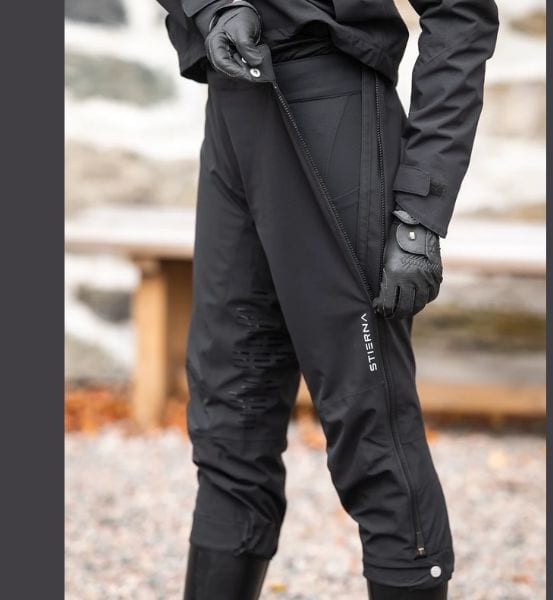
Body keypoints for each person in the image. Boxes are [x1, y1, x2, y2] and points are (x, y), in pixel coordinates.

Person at [156, 1, 498, 598]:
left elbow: (460, 11)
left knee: (372, 429)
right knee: (228, 418)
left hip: (329, 105)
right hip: (232, 107)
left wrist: (421, 209)